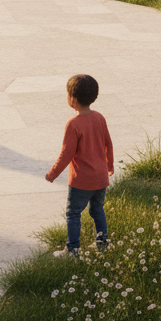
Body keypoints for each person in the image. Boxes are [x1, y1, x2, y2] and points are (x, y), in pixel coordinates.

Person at [45, 74, 114, 257]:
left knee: (73, 213)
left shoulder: (73, 124)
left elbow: (66, 154)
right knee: (97, 210)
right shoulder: (99, 117)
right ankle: (102, 244)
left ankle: (72, 250)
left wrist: (52, 174)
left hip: (81, 181)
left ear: (72, 100)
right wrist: (110, 165)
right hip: (100, 178)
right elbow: (108, 143)